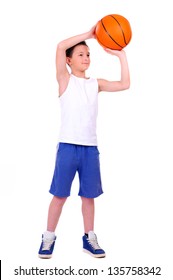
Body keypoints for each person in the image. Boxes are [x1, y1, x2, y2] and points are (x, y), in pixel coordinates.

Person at [38, 24, 130, 259]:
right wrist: (90, 34)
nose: (86, 57)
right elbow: (60, 46)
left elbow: (125, 84)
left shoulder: (95, 84)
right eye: (80, 54)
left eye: (88, 54)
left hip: (90, 149)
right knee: (60, 195)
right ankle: (48, 236)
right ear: (68, 61)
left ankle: (89, 238)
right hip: (68, 147)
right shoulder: (64, 81)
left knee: (88, 196)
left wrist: (122, 55)